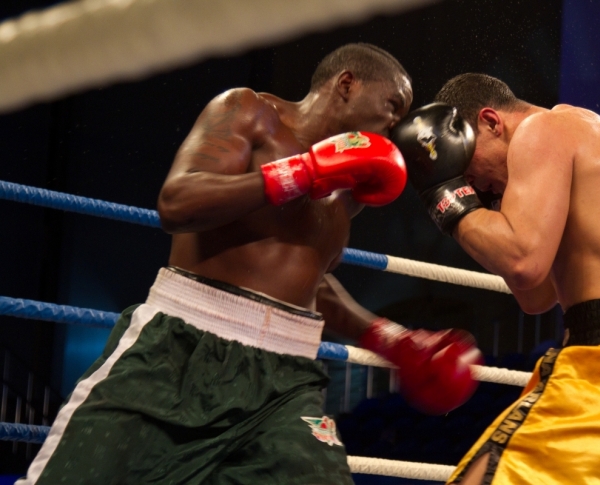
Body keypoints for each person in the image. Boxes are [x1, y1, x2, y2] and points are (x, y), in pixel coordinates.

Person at [17, 44, 481, 485]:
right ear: (346, 84)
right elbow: (177, 203)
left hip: (287, 380)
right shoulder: (249, 112)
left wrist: (392, 340)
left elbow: (309, 281)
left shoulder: (351, 189)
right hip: (181, 348)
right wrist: (302, 173)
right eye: (393, 106)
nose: (396, 126)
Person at [390, 73, 600, 485]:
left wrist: (444, 194)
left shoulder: (542, 129)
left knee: (481, 478)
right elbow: (535, 296)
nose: (476, 185)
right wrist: (493, 214)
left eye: (469, 170)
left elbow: (523, 261)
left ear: (491, 122)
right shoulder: (596, 146)